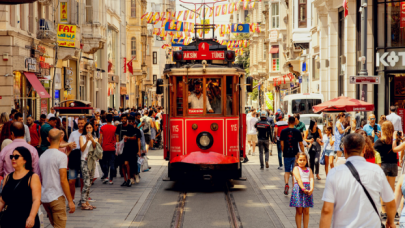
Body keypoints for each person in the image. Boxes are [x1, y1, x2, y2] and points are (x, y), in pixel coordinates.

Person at [320, 133, 396, 228]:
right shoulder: (376, 171)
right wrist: (390, 221)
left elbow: (327, 210)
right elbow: (390, 202)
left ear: (344, 149)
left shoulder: (334, 173)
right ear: (364, 149)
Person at [40, 129, 75, 226]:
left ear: (48, 139)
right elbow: (63, 180)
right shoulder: (61, 156)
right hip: (57, 197)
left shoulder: (42, 156)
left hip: (45, 197)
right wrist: (70, 201)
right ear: (60, 139)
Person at [0, 147, 41, 228]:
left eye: (16, 156)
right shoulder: (8, 177)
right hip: (8, 219)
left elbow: (36, 200)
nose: (13, 159)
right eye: (12, 157)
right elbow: (2, 200)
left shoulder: (32, 177)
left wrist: (32, 217)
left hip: (25, 219)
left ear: (25, 160)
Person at [374, 121, 397, 220]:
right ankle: (393, 211)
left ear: (383, 129)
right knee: (392, 189)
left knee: (383, 189)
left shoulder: (379, 141)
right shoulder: (395, 140)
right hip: (394, 165)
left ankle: (383, 212)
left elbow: (374, 151)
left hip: (383, 165)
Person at [280, 116, 304, 195]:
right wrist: (303, 153)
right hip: (295, 154)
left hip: (286, 154)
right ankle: (294, 189)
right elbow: (301, 144)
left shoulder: (283, 131)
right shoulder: (297, 132)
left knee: (287, 171)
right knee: (295, 172)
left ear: (288, 122)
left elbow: (282, 144)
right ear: (294, 122)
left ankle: (286, 184)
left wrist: (284, 151)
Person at [290, 152, 314, 228]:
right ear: (297, 160)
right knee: (299, 211)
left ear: (306, 161)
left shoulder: (309, 169)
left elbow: (311, 179)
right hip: (299, 190)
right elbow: (298, 179)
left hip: (307, 191)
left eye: (304, 160)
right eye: (300, 160)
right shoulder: (296, 168)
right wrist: (303, 188)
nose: (302, 161)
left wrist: (311, 188)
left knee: (306, 211)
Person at [116, 114, 139, 187]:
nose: (123, 120)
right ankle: (125, 180)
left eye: (124, 118)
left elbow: (135, 138)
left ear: (126, 119)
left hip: (128, 148)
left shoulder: (130, 127)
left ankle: (129, 178)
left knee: (126, 163)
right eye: (122, 118)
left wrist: (128, 137)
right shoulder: (119, 127)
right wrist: (118, 145)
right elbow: (117, 135)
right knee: (122, 164)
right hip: (120, 148)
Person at [79, 122, 98, 210]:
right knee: (86, 181)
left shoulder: (95, 138)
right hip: (84, 161)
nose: (89, 129)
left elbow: (95, 147)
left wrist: (92, 140)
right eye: (87, 128)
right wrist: (87, 141)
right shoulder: (81, 137)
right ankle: (83, 202)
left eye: (90, 128)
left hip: (92, 162)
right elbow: (82, 149)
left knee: (90, 181)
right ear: (85, 129)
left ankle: (86, 201)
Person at [67, 117, 86, 204]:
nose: (80, 125)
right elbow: (69, 145)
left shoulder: (88, 134)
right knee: (71, 181)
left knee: (83, 180)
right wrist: (71, 145)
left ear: (85, 123)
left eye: (82, 123)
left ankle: (82, 199)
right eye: (79, 123)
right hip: (74, 156)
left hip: (84, 157)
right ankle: (72, 199)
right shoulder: (73, 133)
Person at [99, 114, 117, 185]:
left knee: (104, 163)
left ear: (106, 119)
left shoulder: (102, 128)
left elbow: (100, 138)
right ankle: (111, 179)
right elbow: (116, 138)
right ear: (112, 119)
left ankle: (106, 176)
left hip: (104, 148)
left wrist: (98, 146)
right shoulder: (114, 128)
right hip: (112, 148)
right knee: (112, 163)